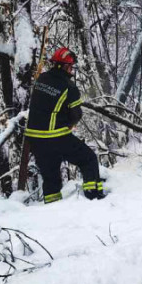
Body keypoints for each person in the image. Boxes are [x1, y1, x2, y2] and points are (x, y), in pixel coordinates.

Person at [25, 47, 106, 202]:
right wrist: (69, 124)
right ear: (64, 66)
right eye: (70, 66)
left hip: (34, 138)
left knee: (51, 179)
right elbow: (76, 114)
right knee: (88, 158)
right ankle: (93, 195)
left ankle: (52, 208)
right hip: (55, 137)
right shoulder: (69, 87)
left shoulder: (41, 79)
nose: (72, 70)